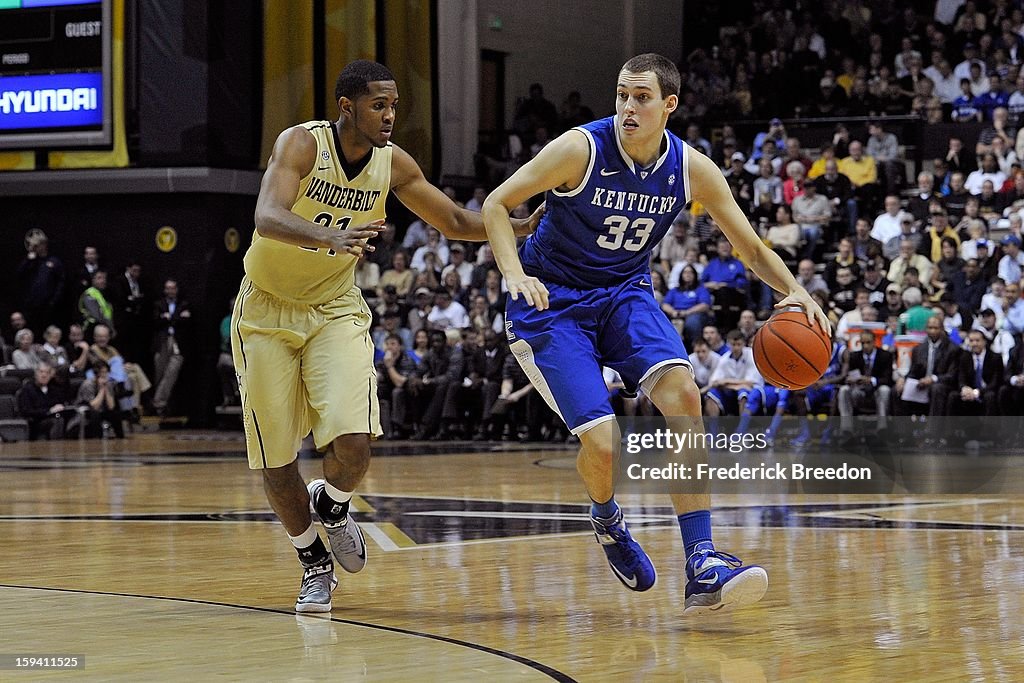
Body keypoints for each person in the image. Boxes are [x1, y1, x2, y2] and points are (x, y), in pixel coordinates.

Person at [481, 54, 828, 614]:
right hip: (551, 304)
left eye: (641, 97)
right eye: (621, 95)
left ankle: (703, 562)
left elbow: (752, 247)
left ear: (669, 105)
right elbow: (498, 203)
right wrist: (515, 274)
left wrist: (796, 293)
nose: (627, 107)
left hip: (624, 296)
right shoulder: (580, 149)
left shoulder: (692, 169)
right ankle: (608, 520)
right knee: (602, 444)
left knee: (686, 397)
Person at [231, 60, 538, 613]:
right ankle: (314, 563)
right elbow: (267, 216)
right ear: (347, 107)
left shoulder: (392, 163)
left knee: (354, 447)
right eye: (379, 105)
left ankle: (333, 505)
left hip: (334, 309)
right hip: (265, 313)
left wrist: (517, 226)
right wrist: (330, 234)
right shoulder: (301, 145)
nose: (391, 115)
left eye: (395, 105)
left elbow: (454, 222)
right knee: (277, 463)